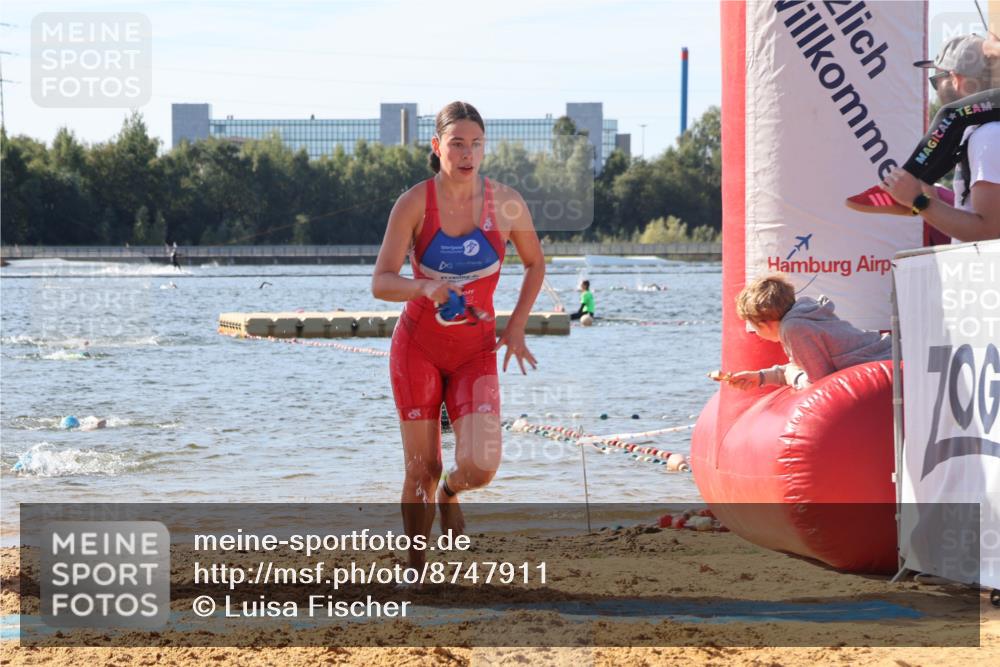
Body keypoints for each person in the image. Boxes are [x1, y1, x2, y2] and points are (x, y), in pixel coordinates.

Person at [371, 101, 545, 573]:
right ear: (437, 146)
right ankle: (416, 570)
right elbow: (381, 282)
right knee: (420, 469)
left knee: (481, 467)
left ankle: (450, 493)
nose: (467, 154)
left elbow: (535, 264)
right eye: (457, 144)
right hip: (417, 349)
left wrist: (516, 325)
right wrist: (423, 287)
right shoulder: (414, 204)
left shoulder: (506, 203)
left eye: (476, 145)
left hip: (475, 352)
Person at [846, 33, 1000, 241]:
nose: (935, 90)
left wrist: (918, 201)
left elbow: (990, 234)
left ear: (957, 79)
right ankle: (912, 182)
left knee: (949, 115)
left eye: (936, 80)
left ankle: (902, 184)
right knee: (951, 125)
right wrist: (924, 198)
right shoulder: (979, 133)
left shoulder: (989, 136)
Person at [724, 274, 891, 391]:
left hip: (888, 368)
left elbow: (818, 383)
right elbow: (802, 368)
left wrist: (791, 376)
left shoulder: (793, 328)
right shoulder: (802, 316)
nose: (755, 332)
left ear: (764, 324)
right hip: (891, 356)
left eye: (753, 326)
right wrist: (761, 377)